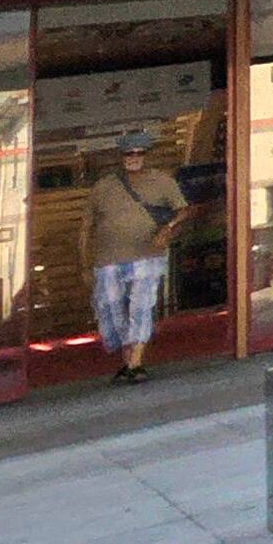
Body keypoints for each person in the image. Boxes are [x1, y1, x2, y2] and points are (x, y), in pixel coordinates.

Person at [90, 137, 183, 383]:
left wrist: (168, 228)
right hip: (108, 258)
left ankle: (134, 363)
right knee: (111, 308)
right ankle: (128, 359)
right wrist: (83, 261)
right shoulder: (104, 186)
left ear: (146, 155)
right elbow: (87, 225)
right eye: (128, 154)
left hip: (147, 256)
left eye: (138, 153)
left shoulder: (163, 181)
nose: (133, 158)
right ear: (120, 157)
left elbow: (183, 210)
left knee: (140, 307)